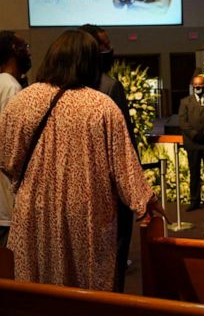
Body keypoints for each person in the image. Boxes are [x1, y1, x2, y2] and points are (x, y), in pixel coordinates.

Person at [0, 30, 167, 291]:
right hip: (87, 213)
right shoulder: (102, 106)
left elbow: (7, 159)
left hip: (34, 210)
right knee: (86, 288)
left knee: (37, 288)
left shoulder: (21, 102)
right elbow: (125, 169)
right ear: (89, 63)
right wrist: (147, 201)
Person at [79, 24, 137, 292]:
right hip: (109, 190)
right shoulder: (110, 87)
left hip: (79, 187)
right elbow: (125, 146)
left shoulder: (64, 87)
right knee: (113, 257)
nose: (109, 49)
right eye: (103, 44)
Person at [0, 31, 31, 247]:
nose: (28, 52)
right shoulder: (10, 87)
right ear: (13, 51)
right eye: (25, 47)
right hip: (5, 201)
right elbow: (12, 144)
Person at [179, 75, 204, 211]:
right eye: (195, 86)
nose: (198, 88)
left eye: (200, 86)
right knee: (194, 172)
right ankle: (194, 201)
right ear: (192, 86)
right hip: (193, 143)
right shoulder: (185, 102)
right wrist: (194, 134)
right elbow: (183, 122)